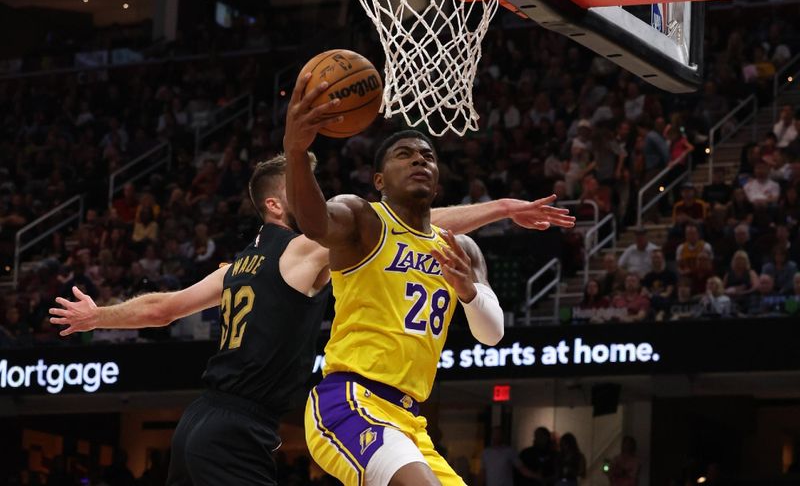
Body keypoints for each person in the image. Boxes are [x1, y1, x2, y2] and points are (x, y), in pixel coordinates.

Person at [52, 149, 573, 485]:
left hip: (199, 419)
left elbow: (162, 308)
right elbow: (410, 224)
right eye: (309, 192)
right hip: (246, 425)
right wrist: (500, 209)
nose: (318, 200)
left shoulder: (237, 266)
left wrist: (99, 317)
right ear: (281, 205)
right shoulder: (304, 250)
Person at [283, 74, 574, 486]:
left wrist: (469, 293)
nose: (419, 160)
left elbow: (492, 334)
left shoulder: (462, 249)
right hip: (349, 401)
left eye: (427, 156)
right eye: (403, 154)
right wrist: (295, 151)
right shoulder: (362, 220)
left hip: (410, 422)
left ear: (437, 178)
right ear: (379, 181)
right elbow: (313, 222)